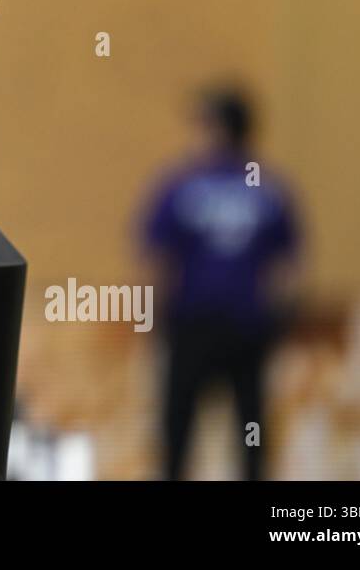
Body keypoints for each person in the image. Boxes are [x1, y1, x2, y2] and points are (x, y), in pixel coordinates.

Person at [140, 84, 302, 480]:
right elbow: (288, 267)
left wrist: (153, 318)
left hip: (198, 323)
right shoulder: (268, 187)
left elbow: (157, 258)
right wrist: (276, 319)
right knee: (248, 427)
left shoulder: (183, 185)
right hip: (244, 325)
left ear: (221, 129)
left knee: (181, 426)